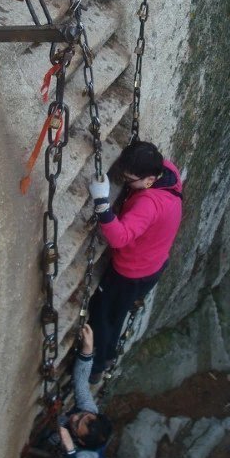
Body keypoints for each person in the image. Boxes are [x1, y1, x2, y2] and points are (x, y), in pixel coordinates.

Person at [88, 140, 183, 383]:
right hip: (154, 264)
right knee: (117, 314)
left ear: (149, 180)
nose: (124, 181)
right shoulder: (169, 172)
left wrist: (102, 204)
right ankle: (108, 357)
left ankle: (96, 367)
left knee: (102, 315)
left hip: (131, 273)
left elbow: (119, 238)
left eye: (129, 179)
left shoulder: (148, 204)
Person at [18, 324, 112, 458]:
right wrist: (87, 351)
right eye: (81, 416)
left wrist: (70, 450)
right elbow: (81, 383)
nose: (75, 418)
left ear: (81, 441)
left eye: (77, 425)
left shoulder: (87, 456)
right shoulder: (89, 410)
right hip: (37, 449)